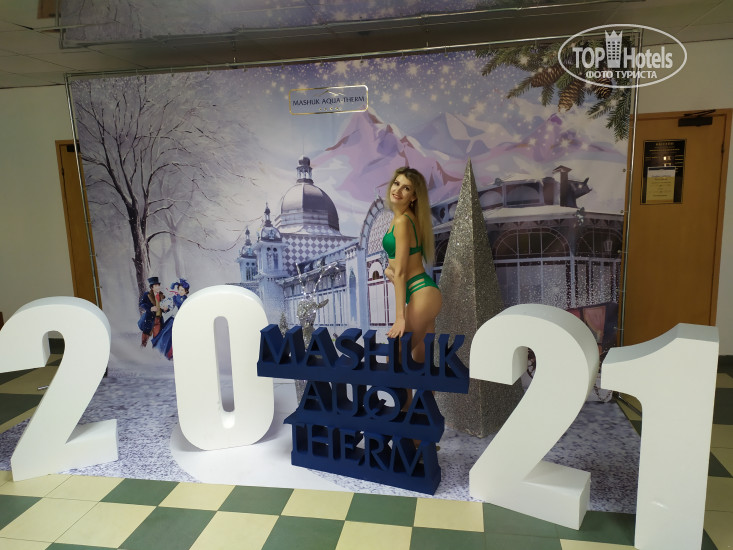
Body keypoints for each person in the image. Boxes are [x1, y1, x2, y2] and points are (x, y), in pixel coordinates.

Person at [382, 167, 442, 365]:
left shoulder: (402, 221)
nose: (398, 190)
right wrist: (387, 271)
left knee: (395, 358)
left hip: (421, 294)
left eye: (406, 188)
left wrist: (400, 318)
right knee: (421, 366)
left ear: (414, 197)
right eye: (397, 183)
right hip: (423, 294)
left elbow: (400, 272)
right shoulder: (401, 218)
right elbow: (399, 265)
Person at [152, 278, 190, 360]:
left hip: (182, 321)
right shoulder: (175, 298)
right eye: (179, 290)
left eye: (182, 290)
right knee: (166, 335)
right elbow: (168, 306)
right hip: (173, 320)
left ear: (186, 291)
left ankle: (175, 353)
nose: (180, 292)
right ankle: (165, 353)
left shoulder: (187, 300)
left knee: (178, 337)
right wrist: (165, 308)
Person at [138, 276, 169, 347]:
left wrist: (166, 309)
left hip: (158, 320)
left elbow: (165, 306)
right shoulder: (147, 295)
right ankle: (142, 350)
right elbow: (141, 304)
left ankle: (154, 352)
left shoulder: (162, 296)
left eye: (158, 285)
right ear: (152, 287)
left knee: (156, 339)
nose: (158, 287)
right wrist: (150, 308)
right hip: (149, 319)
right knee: (145, 339)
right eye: (155, 286)